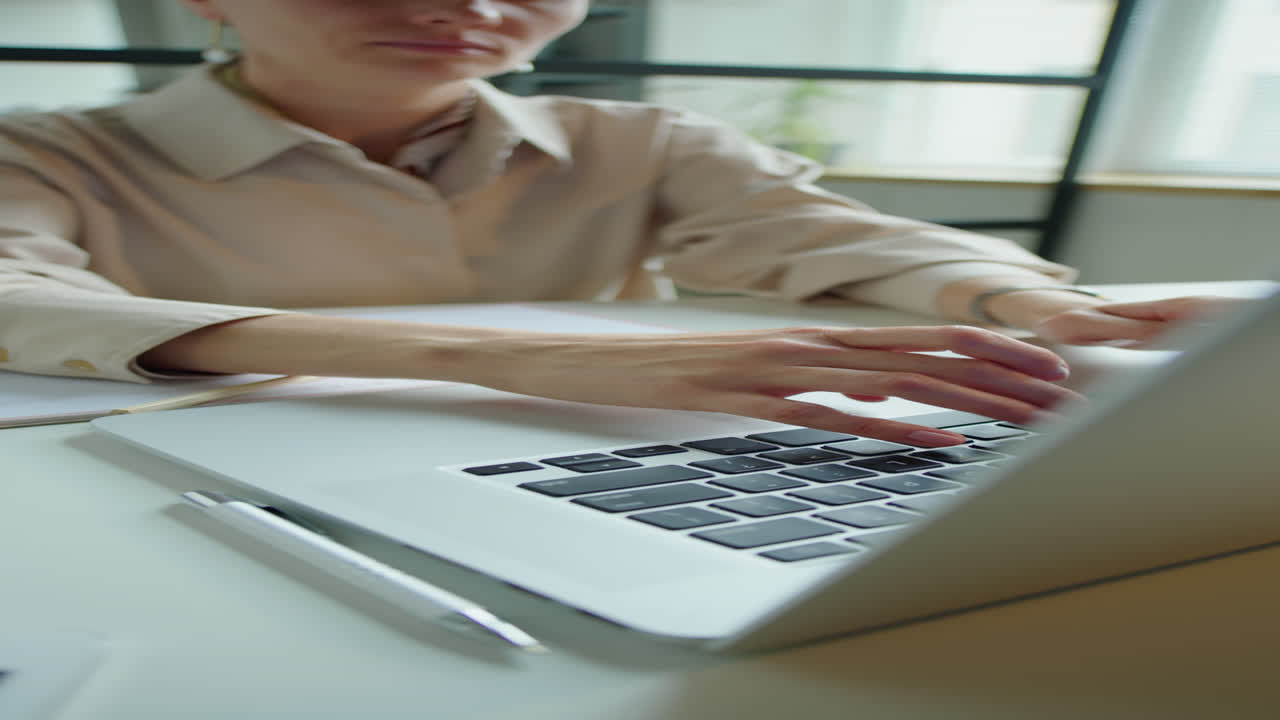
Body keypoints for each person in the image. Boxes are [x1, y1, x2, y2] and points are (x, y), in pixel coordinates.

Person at [0, 0, 1236, 447]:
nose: (465, 4)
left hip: (601, 452)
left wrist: (1039, 306)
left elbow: (828, 235)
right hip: (205, 482)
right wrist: (507, 356)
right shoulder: (51, 149)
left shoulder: (639, 140)